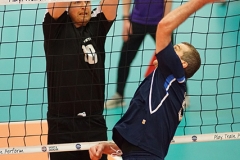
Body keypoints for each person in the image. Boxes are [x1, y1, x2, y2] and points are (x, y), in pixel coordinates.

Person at [89, 0, 224, 159]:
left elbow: (164, 27)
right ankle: (118, 93)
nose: (167, 49)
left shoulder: (174, 74)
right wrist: (109, 147)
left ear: (181, 64)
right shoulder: (161, 85)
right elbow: (142, 143)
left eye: (175, 49)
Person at [42, 1, 118, 160]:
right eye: (78, 2)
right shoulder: (55, 27)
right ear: (68, 6)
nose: (84, 6)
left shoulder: (96, 28)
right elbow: (55, 7)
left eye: (88, 2)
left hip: (93, 123)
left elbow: (111, 5)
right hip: (62, 125)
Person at [105, 0, 172, 109]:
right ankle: (119, 95)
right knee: (125, 59)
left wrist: (167, 22)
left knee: (171, 59)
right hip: (136, 22)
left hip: (159, 23)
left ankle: (181, 94)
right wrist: (126, 20)